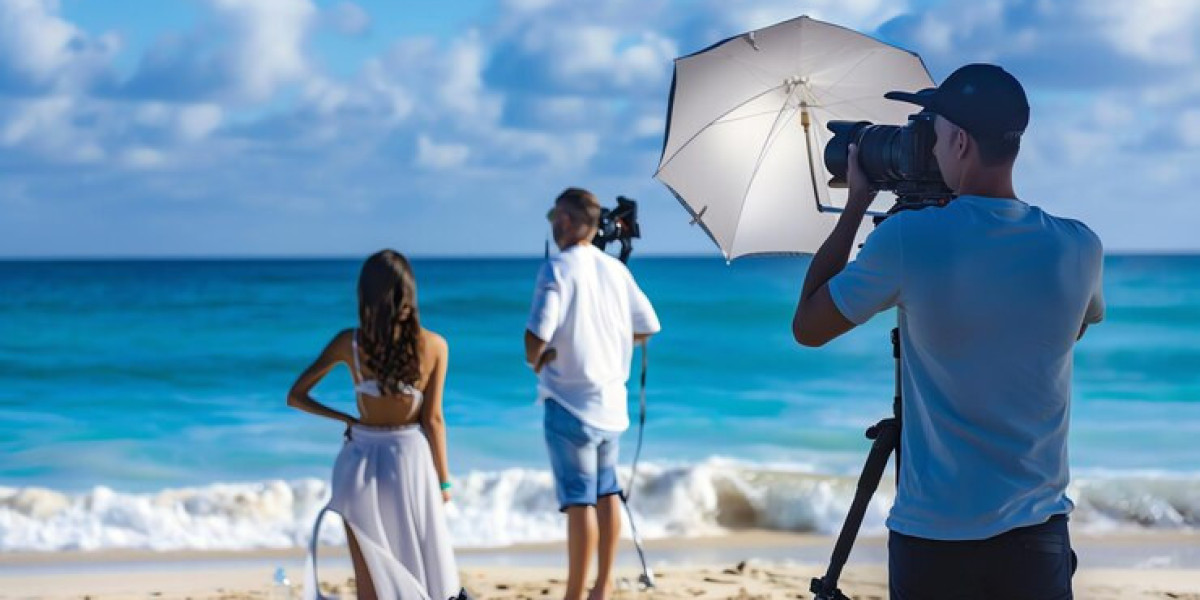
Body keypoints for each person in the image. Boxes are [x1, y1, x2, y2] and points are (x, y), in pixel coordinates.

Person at [791, 64, 1104, 599]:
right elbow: (1071, 327)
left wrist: (855, 209)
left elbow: (809, 327)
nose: (928, 150)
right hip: (1039, 536)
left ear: (959, 140)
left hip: (935, 537)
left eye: (929, 135)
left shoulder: (910, 240)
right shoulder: (1078, 245)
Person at [288, 250, 464, 600]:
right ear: (409, 292)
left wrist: (347, 418)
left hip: (361, 461)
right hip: (410, 463)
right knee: (418, 563)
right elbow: (433, 420)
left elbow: (297, 395)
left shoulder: (349, 342)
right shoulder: (435, 345)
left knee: (369, 570)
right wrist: (443, 481)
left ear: (365, 293)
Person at [524, 188, 661, 600]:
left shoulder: (558, 267)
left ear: (565, 221)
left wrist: (542, 358)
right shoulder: (614, 270)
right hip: (610, 406)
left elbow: (536, 337)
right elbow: (648, 326)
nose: (552, 224)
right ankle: (601, 589)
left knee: (579, 502)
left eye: (554, 217)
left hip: (569, 403)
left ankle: (573, 595)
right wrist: (610, 344)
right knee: (606, 494)